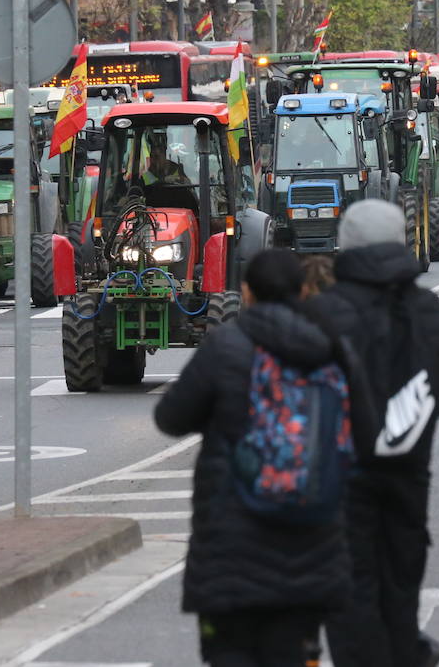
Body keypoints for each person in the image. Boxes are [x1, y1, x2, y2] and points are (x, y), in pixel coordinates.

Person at [154, 248, 375, 667]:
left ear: (247, 291)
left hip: (231, 546)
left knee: (230, 654)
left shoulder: (226, 346)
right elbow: (366, 434)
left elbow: (170, 418)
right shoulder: (332, 347)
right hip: (312, 541)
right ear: (301, 289)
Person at [310, 199, 439, 667]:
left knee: (351, 595)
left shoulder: (323, 313)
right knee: (400, 590)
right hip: (409, 477)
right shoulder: (429, 310)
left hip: (340, 484)